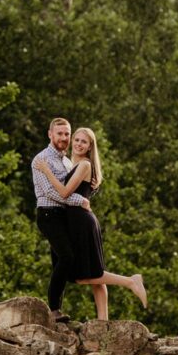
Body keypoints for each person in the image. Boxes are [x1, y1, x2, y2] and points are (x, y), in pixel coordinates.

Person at [35, 127, 147, 321]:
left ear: (90, 147)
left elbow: (63, 193)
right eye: (76, 140)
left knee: (86, 274)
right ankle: (103, 321)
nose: (78, 144)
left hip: (80, 221)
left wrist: (46, 170)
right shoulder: (72, 164)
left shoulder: (84, 165)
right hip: (77, 219)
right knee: (95, 272)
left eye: (83, 142)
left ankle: (131, 281)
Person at [31, 117, 92, 323]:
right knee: (66, 257)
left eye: (67, 134)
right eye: (60, 133)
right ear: (50, 134)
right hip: (48, 214)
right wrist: (79, 200)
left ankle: (56, 309)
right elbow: (49, 191)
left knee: (60, 260)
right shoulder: (41, 160)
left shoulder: (67, 161)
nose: (64, 138)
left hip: (63, 216)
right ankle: (54, 310)